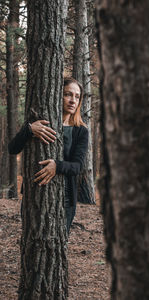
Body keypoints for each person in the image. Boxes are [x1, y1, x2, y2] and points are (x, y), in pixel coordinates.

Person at [8, 77, 88, 234]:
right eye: (68, 94)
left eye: (77, 96)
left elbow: (77, 166)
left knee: (57, 245)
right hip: (35, 195)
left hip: (65, 199)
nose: (73, 100)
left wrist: (57, 166)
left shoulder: (81, 130)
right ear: (58, 95)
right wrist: (29, 130)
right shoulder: (40, 123)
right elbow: (12, 148)